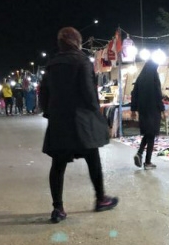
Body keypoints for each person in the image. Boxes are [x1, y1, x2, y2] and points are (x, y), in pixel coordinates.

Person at [40, 26, 118, 223]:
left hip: (59, 121)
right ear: (77, 42)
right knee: (92, 158)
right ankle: (100, 199)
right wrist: (95, 112)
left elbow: (44, 93)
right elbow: (88, 91)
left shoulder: (51, 64)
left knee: (58, 164)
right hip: (81, 120)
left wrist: (49, 113)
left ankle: (58, 208)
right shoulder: (82, 61)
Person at [131, 60, 165, 170]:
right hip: (153, 110)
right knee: (151, 135)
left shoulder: (140, 78)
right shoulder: (154, 78)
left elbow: (134, 94)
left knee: (148, 133)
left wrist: (133, 110)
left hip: (143, 111)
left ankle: (140, 153)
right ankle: (147, 162)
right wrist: (162, 109)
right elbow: (158, 94)